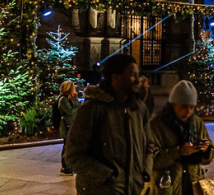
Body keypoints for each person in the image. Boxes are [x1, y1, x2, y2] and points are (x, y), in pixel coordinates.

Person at [65, 54, 153, 195]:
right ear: (115, 78)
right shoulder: (92, 109)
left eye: (138, 75)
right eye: (133, 75)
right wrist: (108, 176)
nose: (138, 80)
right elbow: (73, 156)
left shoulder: (139, 109)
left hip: (132, 189)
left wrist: (144, 172)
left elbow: (149, 145)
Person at [150, 80, 214, 194]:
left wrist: (206, 149)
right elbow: (151, 160)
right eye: (184, 107)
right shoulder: (156, 125)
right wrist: (178, 152)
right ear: (173, 104)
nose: (188, 112)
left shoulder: (196, 122)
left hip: (193, 184)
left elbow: (208, 157)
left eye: (191, 107)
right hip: (168, 187)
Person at [57, 81, 80, 176]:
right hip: (66, 126)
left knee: (71, 146)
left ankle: (69, 166)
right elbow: (70, 111)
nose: (74, 89)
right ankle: (64, 167)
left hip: (73, 125)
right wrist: (78, 108)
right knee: (66, 146)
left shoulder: (72, 98)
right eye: (73, 87)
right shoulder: (63, 99)